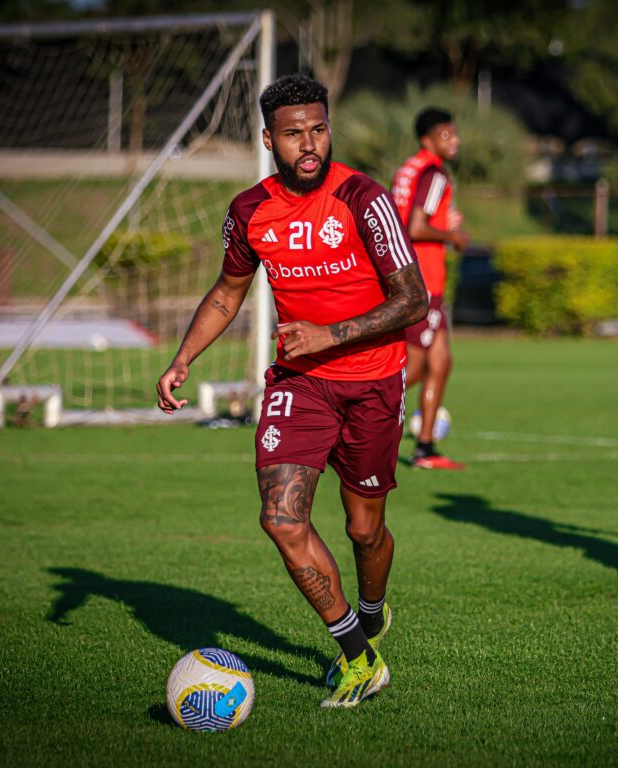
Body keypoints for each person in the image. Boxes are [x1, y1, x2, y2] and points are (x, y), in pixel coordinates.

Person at [156, 75, 427, 707]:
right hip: (298, 385)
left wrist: (330, 333)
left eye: (318, 128)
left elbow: (412, 299)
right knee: (281, 518)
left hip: (373, 385)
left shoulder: (363, 198)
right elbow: (228, 292)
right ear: (268, 139)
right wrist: (182, 359)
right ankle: (360, 658)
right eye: (293, 133)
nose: (308, 144)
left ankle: (371, 607)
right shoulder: (250, 209)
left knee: (365, 530)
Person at [391, 107, 471, 470]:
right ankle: (352, 414)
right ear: (428, 139)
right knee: (418, 366)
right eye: (446, 135)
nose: (454, 140)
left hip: (407, 272)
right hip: (423, 278)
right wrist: (452, 235)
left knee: (442, 361)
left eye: (454, 134)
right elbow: (416, 227)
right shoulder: (434, 172)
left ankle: (425, 448)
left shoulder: (409, 168)